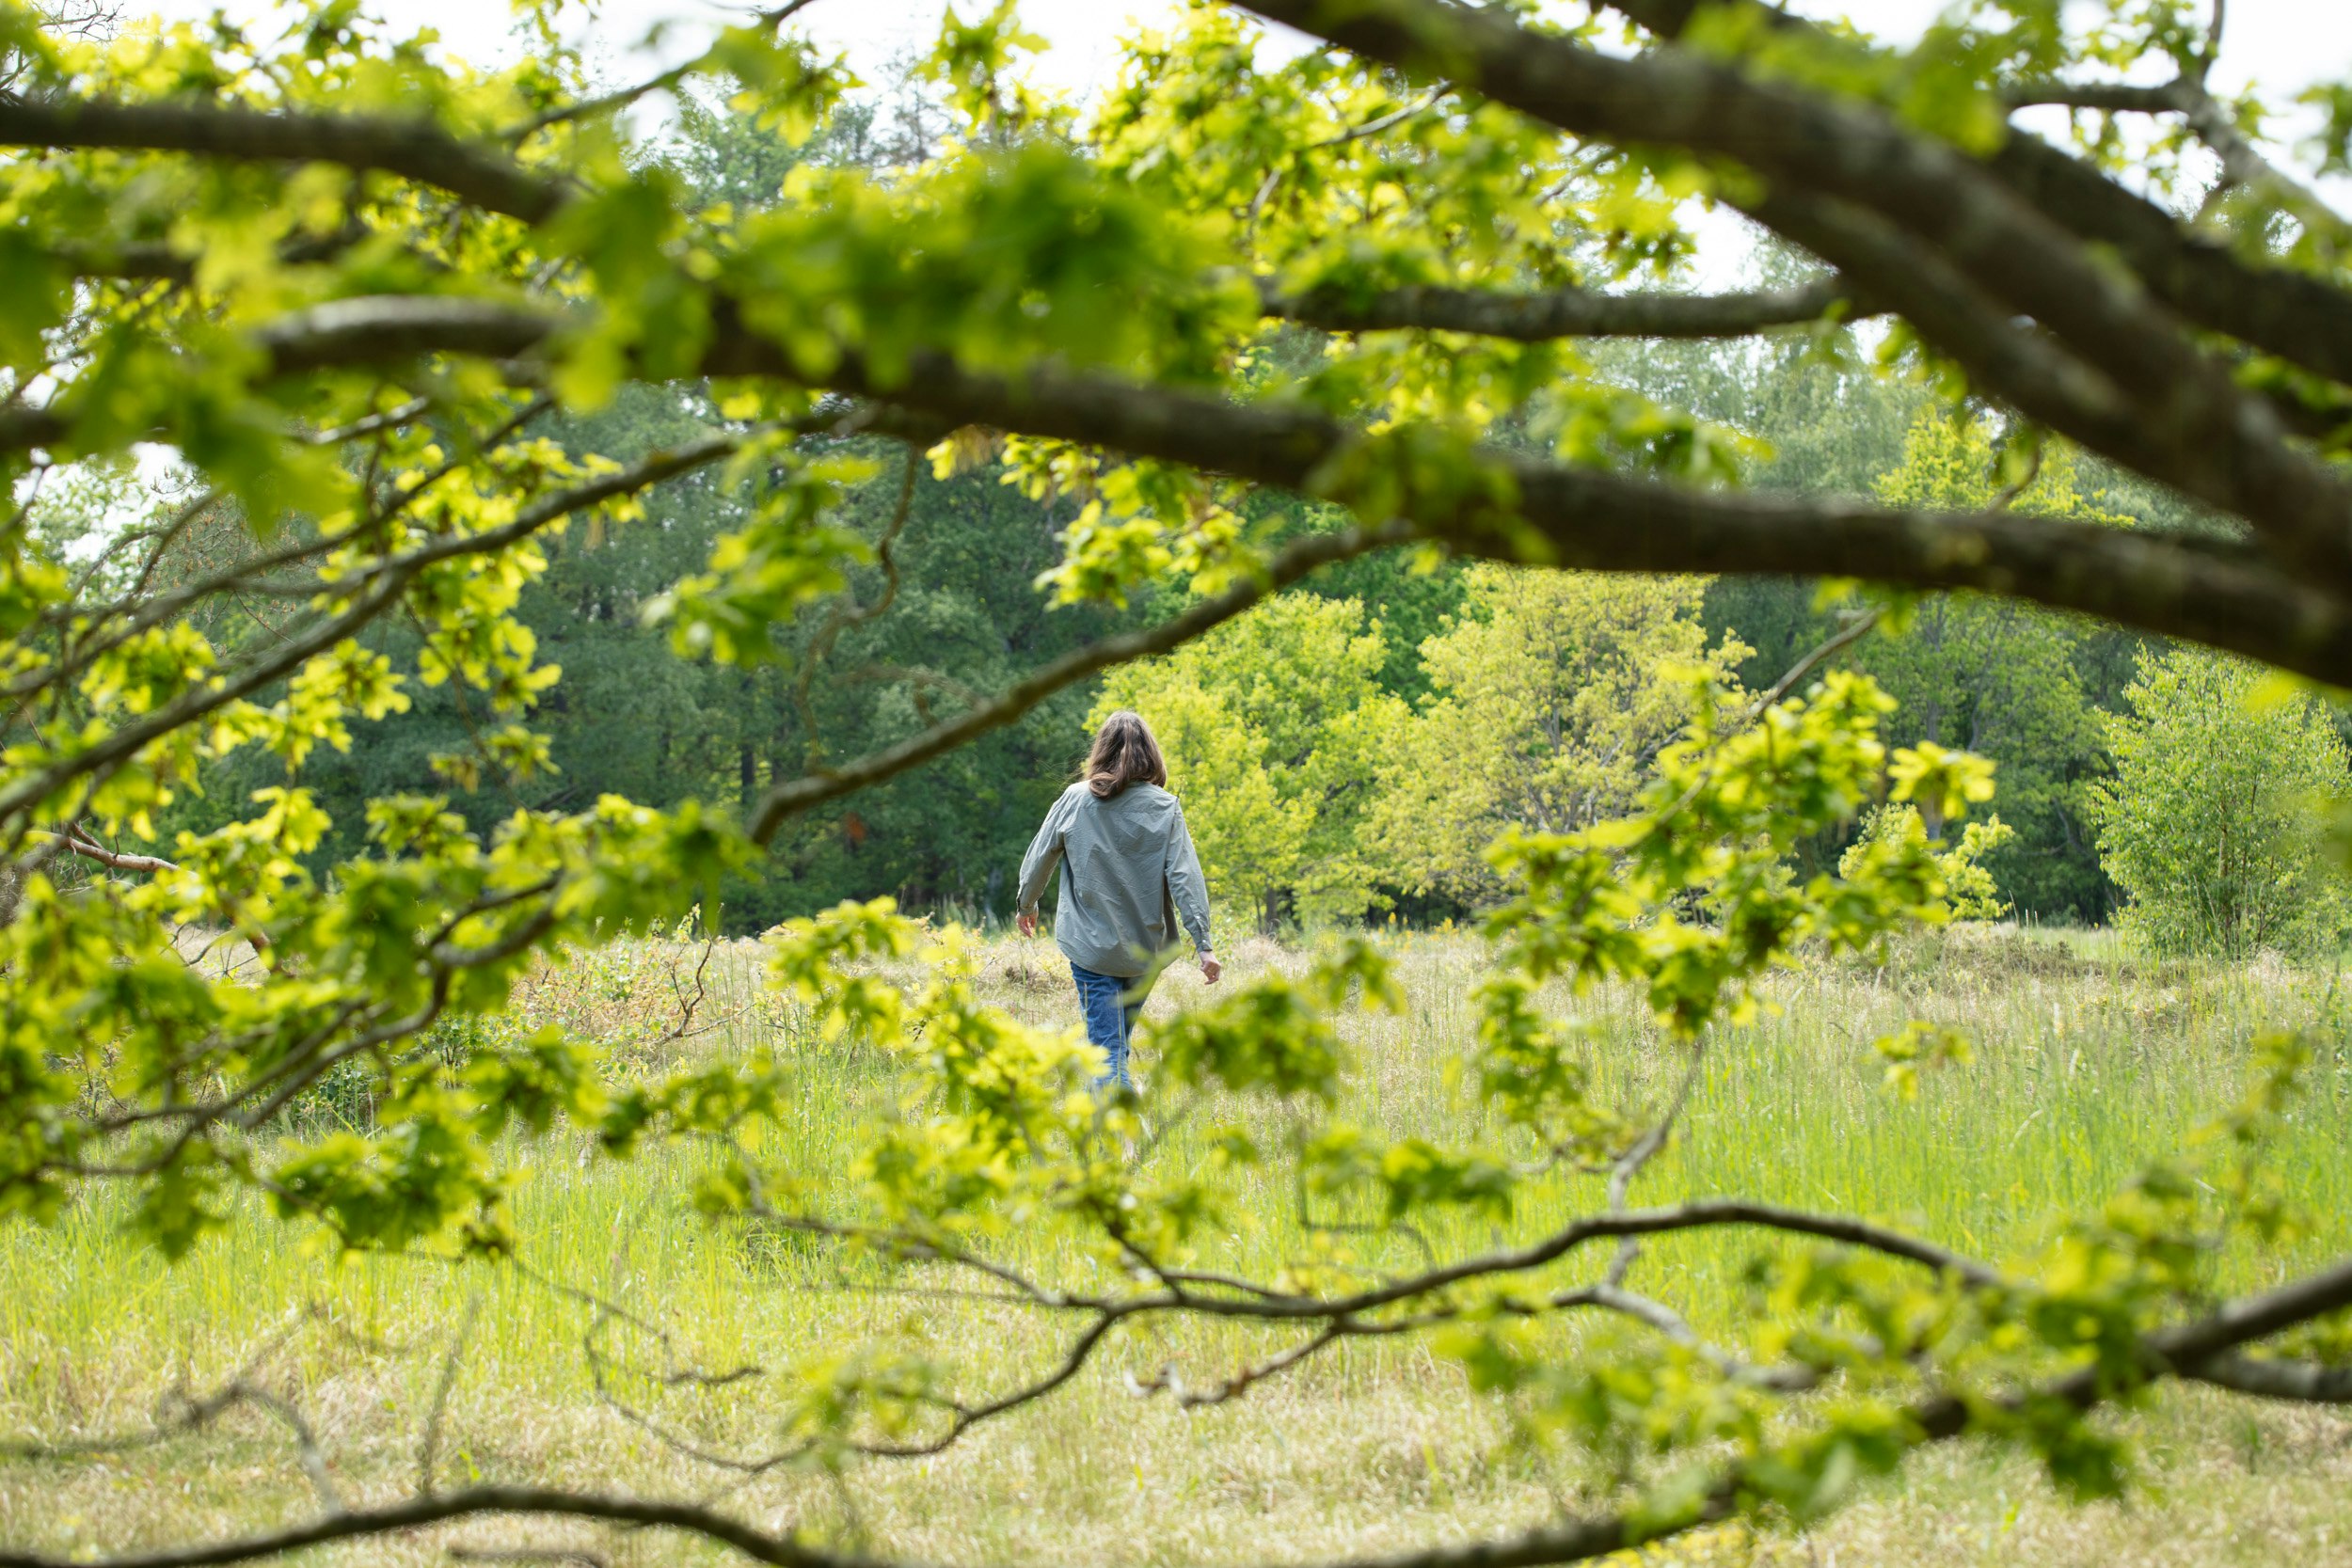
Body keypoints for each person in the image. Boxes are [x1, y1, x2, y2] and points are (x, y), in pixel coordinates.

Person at [1016, 710, 1219, 1091]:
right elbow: (1186, 880)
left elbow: (1039, 856)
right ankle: (1115, 1130)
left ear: (1102, 750)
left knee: (1107, 1051)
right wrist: (1203, 945)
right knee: (1113, 1046)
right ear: (1151, 754)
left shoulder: (1075, 799)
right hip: (1145, 952)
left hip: (1091, 948)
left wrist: (1027, 905)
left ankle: (1119, 1140)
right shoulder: (1165, 807)